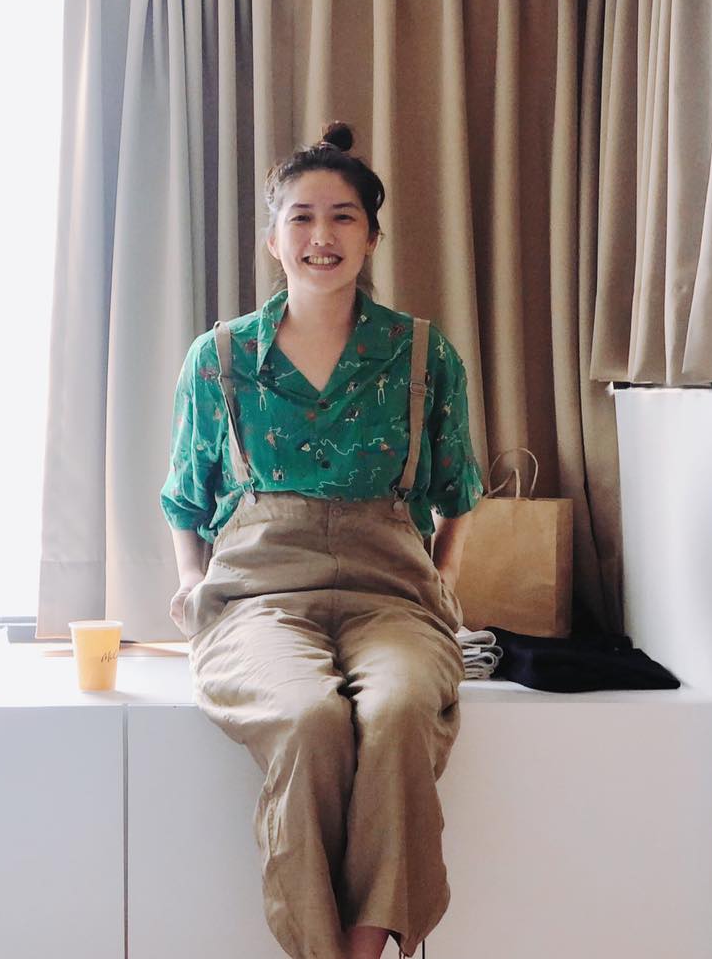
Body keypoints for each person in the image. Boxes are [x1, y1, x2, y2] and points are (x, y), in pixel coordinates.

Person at [160, 122, 483, 959]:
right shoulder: (221, 357)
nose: (321, 236)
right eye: (300, 217)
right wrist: (192, 581)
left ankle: (362, 952)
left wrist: (443, 584)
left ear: (372, 237)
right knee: (308, 719)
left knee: (400, 712)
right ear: (273, 239)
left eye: (343, 217)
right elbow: (184, 497)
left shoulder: (423, 355)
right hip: (258, 598)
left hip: (393, 595)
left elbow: (459, 493)